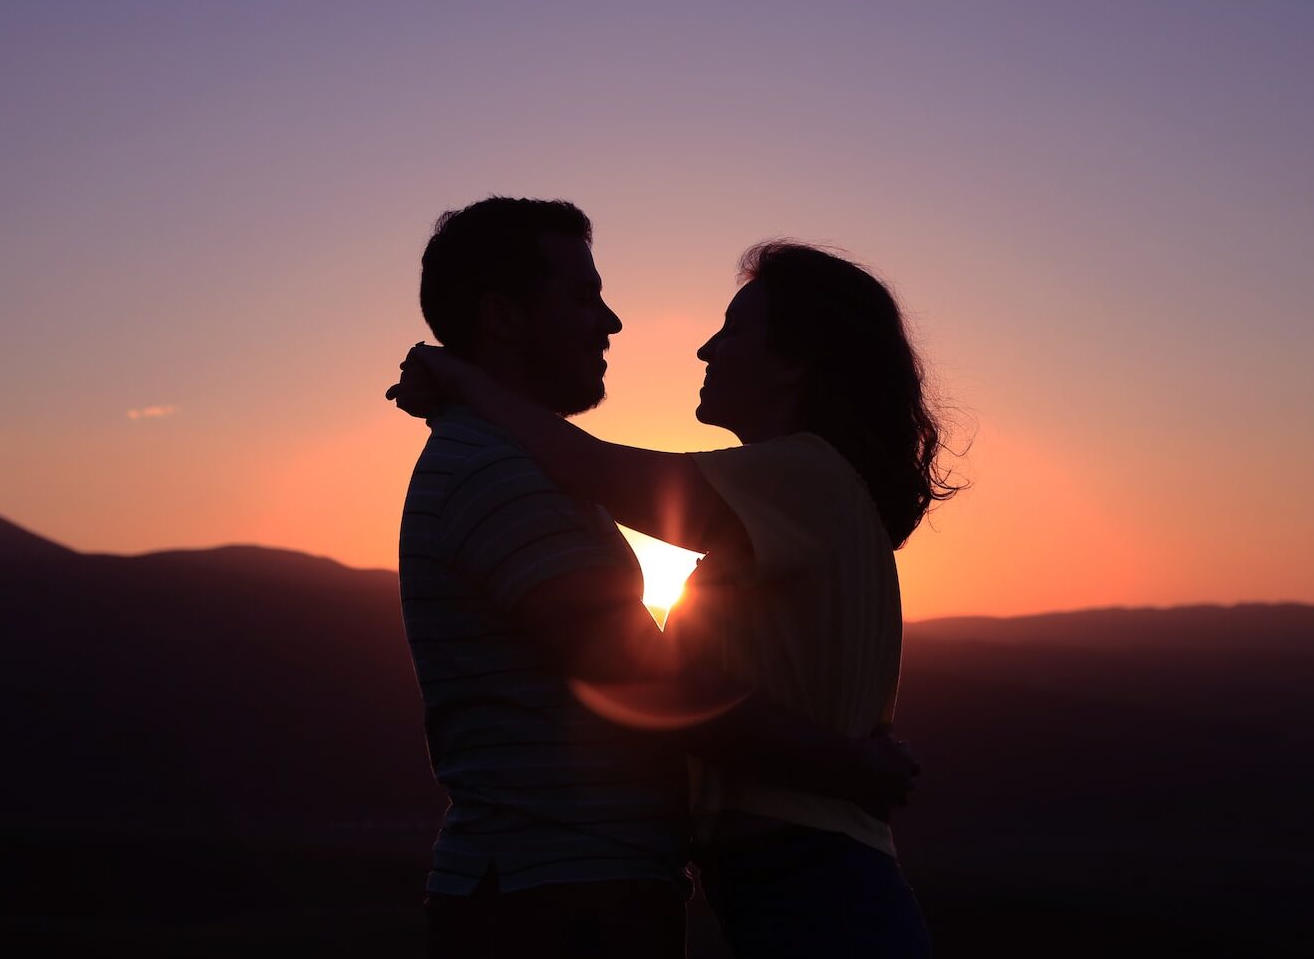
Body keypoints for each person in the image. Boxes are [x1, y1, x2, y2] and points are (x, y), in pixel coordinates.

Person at [392, 236, 957, 958]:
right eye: (583, 296)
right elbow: (656, 677)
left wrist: (460, 378)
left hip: (812, 881)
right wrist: (841, 756)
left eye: (732, 330)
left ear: (791, 363)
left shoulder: (804, 476)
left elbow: (592, 465)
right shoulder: (786, 500)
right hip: (772, 879)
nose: (704, 349)